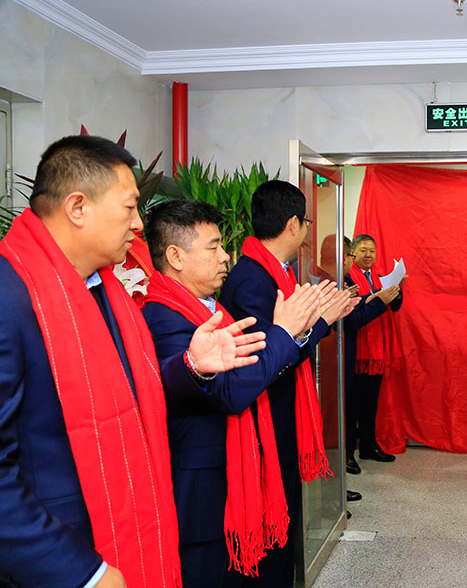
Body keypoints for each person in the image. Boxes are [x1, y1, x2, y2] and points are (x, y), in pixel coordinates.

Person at [0, 135, 265, 588]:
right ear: (78, 207)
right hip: (61, 553)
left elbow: (131, 393)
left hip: (124, 525)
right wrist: (81, 572)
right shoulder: (12, 296)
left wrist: (191, 365)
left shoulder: (106, 291)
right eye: (129, 208)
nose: (139, 225)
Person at [141, 200, 341, 587]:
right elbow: (231, 392)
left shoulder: (205, 307)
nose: (224, 256)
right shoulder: (164, 317)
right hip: (204, 491)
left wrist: (295, 331)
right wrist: (284, 332)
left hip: (230, 477)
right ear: (176, 256)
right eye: (213, 246)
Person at [220, 180, 355, 588]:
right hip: (266, 417)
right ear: (294, 224)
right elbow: (271, 357)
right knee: (273, 529)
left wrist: (315, 322)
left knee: (287, 518)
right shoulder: (252, 279)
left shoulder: (275, 272)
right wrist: (320, 324)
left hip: (281, 414)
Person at [345, 233, 405, 464]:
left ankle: (369, 446)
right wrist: (377, 299)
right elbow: (353, 317)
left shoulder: (379, 277)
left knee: (371, 404)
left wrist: (398, 289)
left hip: (376, 351)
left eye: (372, 251)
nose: (368, 255)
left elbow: (395, 307)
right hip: (356, 352)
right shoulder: (347, 278)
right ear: (353, 253)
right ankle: (348, 453)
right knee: (352, 405)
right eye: (363, 250)